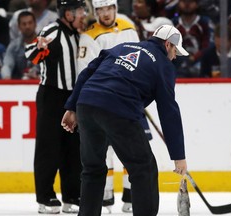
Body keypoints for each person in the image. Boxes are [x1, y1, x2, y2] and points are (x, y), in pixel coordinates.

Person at [61, 24, 188, 216]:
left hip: (87, 104)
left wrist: (72, 106)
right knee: (144, 168)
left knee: (93, 169)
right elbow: (168, 111)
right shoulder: (163, 65)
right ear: (168, 44)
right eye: (175, 51)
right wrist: (179, 156)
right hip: (118, 110)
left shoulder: (123, 47)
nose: (175, 57)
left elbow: (87, 73)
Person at [77, 0, 151, 212]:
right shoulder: (89, 35)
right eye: (101, 10)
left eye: (109, 8)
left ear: (115, 9)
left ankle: (131, 195)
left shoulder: (128, 26)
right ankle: (105, 197)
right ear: (96, 11)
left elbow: (140, 59)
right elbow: (85, 73)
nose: (106, 13)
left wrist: (138, 92)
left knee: (133, 148)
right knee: (104, 148)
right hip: (103, 100)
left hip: (128, 100)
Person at [24, 0, 87, 214]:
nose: (83, 15)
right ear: (67, 14)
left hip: (73, 96)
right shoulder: (53, 29)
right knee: (48, 147)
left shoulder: (80, 34)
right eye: (79, 11)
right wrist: (39, 47)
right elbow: (30, 55)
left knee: (73, 147)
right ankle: (45, 196)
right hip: (51, 95)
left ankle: (71, 194)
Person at [172, 0, 214, 77]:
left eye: (191, 1)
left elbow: (209, 45)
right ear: (179, 3)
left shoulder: (205, 22)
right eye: (184, 2)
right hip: (178, 63)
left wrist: (195, 57)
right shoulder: (173, 22)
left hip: (201, 61)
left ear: (197, 4)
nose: (187, 4)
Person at [1, 11, 39, 80]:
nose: (27, 26)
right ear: (19, 27)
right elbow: (7, 65)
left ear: (35, 24)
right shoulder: (13, 46)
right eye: (24, 24)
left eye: (30, 23)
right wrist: (7, 79)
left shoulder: (46, 44)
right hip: (20, 84)